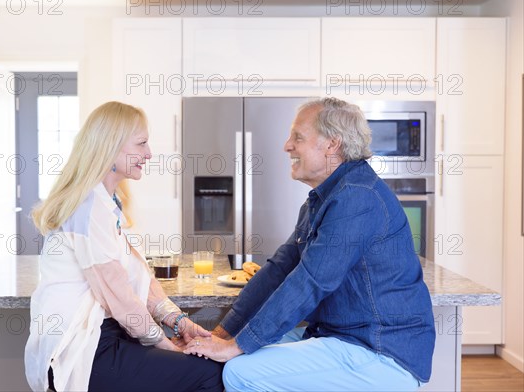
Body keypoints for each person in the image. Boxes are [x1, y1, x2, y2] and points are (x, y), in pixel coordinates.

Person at [184, 97, 436, 391]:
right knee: (233, 357)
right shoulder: (322, 199)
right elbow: (278, 271)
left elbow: (310, 281)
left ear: (332, 144)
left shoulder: (357, 197)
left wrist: (237, 346)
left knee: (239, 371)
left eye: (298, 137)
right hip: (342, 339)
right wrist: (223, 333)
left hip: (381, 354)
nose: (286, 146)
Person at [24, 101, 223, 392]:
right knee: (208, 374)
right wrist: (162, 342)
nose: (149, 154)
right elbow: (116, 293)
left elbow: (135, 278)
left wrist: (178, 321)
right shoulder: (88, 207)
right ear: (110, 147)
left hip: (107, 338)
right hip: (86, 349)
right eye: (141, 143)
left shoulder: (106, 204)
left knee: (201, 366)